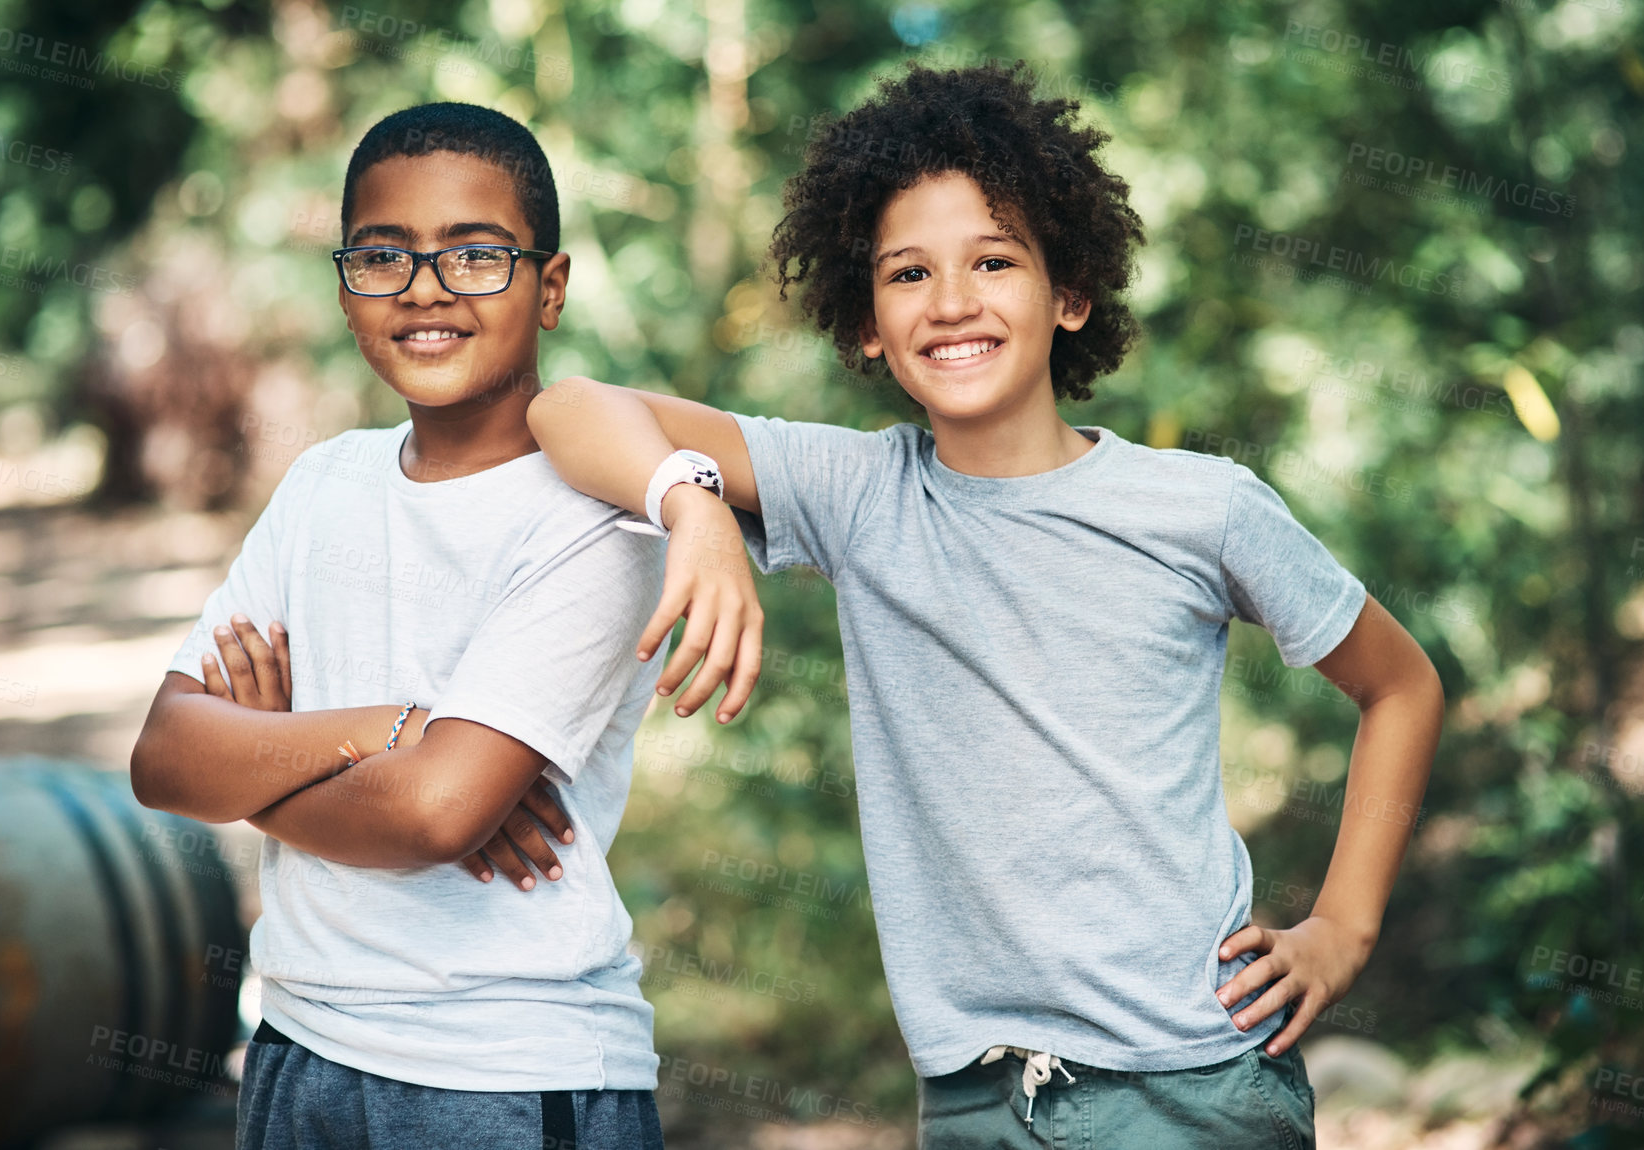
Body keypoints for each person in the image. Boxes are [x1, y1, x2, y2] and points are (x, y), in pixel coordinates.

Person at [527, 63, 1445, 1148]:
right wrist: (694, 506)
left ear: (1070, 292)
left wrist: (1340, 928)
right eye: (907, 273)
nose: (952, 301)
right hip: (971, 1099)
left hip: (1188, 1085)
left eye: (994, 261)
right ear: (865, 319)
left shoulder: (1200, 508)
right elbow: (570, 406)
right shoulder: (862, 493)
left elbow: (1401, 685)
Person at [131, 102, 670, 1149]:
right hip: (295, 1046)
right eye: (384, 255)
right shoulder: (323, 482)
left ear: (549, 288)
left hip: (500, 1072)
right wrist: (397, 724)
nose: (426, 288)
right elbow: (164, 757)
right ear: (345, 290)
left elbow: (433, 815)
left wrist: (264, 757)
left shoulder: (595, 516)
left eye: (476, 255)